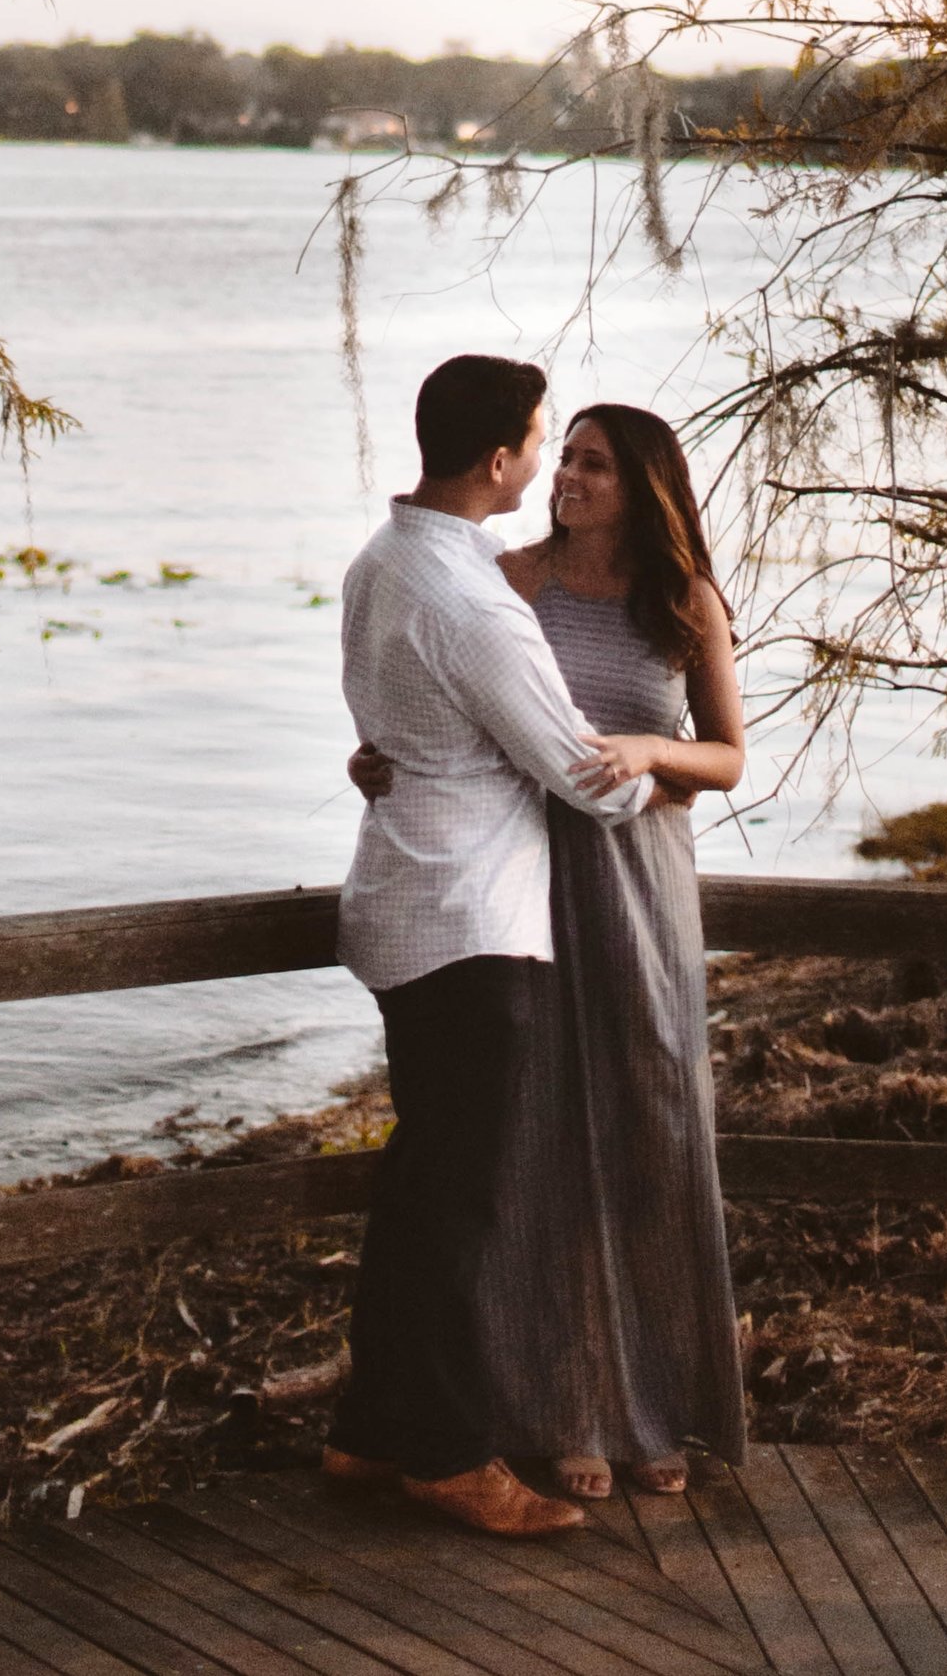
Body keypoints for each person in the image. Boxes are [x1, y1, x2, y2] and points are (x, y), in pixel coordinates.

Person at [352, 398, 748, 1502]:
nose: (568, 478)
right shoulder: (507, 580)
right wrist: (383, 756)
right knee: (538, 1146)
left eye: (593, 466)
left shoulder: (684, 601)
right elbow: (438, 692)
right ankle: (560, 1409)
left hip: (642, 884)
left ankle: (656, 1409)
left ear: (643, 487)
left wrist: (646, 746)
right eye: (561, 456)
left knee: (651, 1126)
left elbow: (726, 757)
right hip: (525, 881)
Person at [326, 352, 659, 1540]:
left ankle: (370, 1428)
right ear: (499, 460)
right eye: (537, 437)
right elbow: (583, 776)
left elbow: (391, 721)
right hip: (471, 925)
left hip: (400, 902)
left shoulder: (383, 563)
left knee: (419, 1185)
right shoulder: (471, 602)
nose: (544, 453)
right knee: (459, 1204)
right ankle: (449, 1455)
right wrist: (642, 772)